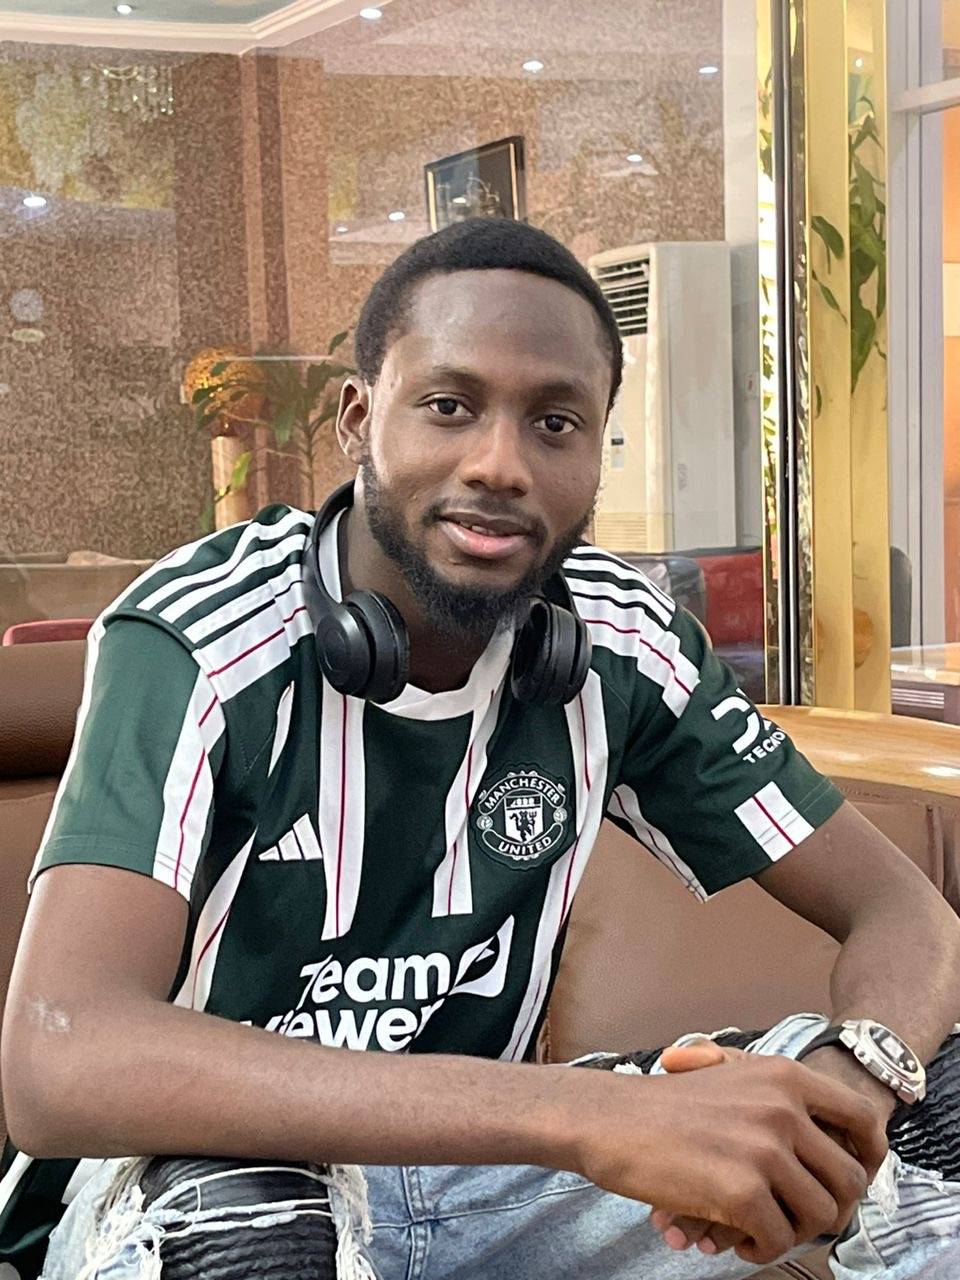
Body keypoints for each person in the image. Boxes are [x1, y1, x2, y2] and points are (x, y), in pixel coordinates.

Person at [1, 218, 959, 1280]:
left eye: (555, 422)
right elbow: (60, 1053)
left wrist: (853, 1087)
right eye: (449, 406)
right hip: (186, 1189)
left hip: (483, 1178)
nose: (501, 464)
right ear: (359, 418)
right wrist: (583, 1114)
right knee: (248, 1226)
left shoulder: (620, 643)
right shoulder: (202, 637)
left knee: (933, 1100)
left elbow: (907, 914)